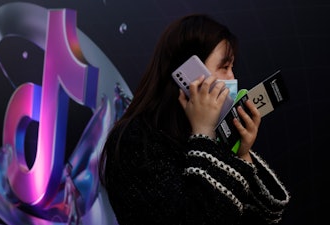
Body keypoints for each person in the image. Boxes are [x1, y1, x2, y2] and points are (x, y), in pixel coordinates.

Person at [98, 13, 290, 225]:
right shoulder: (135, 140)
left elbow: (267, 217)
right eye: (224, 67)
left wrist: (241, 154)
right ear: (189, 75)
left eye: (232, 67)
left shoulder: (215, 139)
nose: (232, 78)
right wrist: (203, 134)